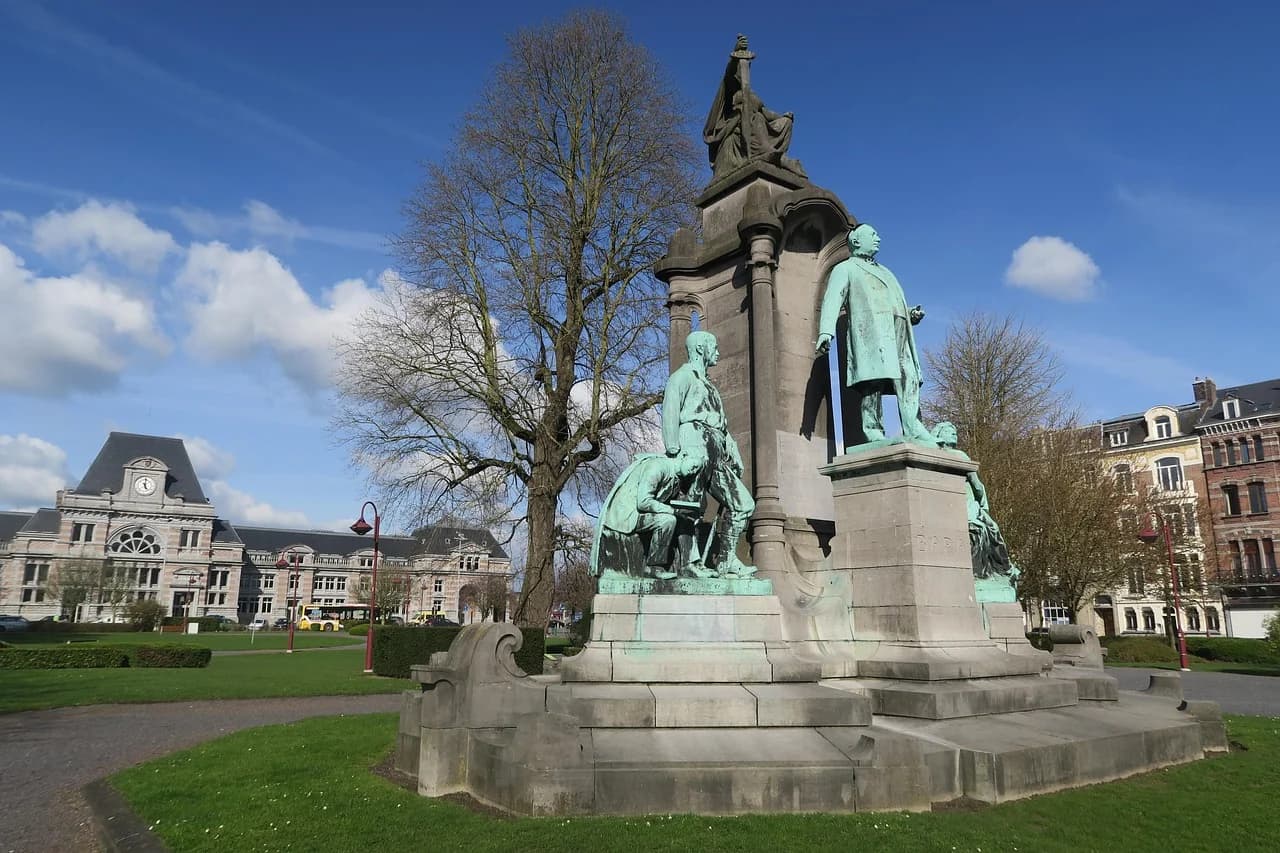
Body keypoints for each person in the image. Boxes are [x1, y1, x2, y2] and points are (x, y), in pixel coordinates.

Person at [816, 224, 933, 448]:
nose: (878, 238)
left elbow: (890, 301)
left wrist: (910, 315)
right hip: (871, 334)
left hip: (899, 330)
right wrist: (826, 331)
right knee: (873, 382)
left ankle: (914, 427)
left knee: (909, 378)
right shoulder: (846, 268)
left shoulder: (885, 271)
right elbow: (833, 299)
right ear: (857, 241)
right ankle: (873, 431)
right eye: (872, 235)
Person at [661, 331, 756, 577]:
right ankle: (689, 563)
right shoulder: (681, 377)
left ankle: (726, 561)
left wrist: (731, 445)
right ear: (701, 348)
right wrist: (674, 451)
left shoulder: (710, 386)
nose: (718, 352)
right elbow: (670, 412)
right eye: (714, 346)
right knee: (691, 504)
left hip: (715, 448)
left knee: (743, 504)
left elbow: (721, 424)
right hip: (692, 443)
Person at [933, 421, 1020, 584]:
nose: (954, 434)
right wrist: (983, 505)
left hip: (946, 508)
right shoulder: (960, 456)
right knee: (992, 530)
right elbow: (977, 485)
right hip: (968, 505)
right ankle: (1004, 568)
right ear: (940, 435)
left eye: (955, 432)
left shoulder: (932, 456)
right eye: (949, 431)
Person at [591, 452, 702, 578]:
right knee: (667, 520)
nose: (693, 471)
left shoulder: (676, 479)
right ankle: (653, 567)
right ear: (684, 456)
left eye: (696, 471)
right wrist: (672, 511)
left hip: (643, 514)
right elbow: (643, 502)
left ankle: (690, 565)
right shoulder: (658, 467)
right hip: (627, 514)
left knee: (685, 520)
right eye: (694, 466)